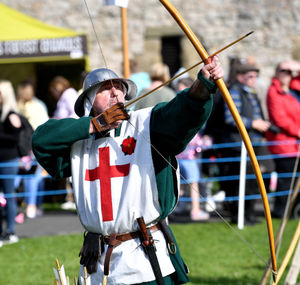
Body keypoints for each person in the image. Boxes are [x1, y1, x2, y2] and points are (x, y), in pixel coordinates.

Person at [32, 56, 223, 285]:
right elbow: (41, 140)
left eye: (119, 88)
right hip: (99, 261)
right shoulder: (78, 140)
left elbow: (180, 113)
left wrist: (202, 85)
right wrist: (95, 125)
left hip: (144, 258)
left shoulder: (146, 124)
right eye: (105, 89)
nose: (115, 93)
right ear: (90, 101)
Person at [220, 62, 273, 225]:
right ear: (240, 76)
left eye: (255, 77)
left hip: (255, 143)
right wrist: (253, 123)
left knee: (256, 179)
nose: (253, 80)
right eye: (250, 76)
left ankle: (249, 213)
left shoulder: (250, 91)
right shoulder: (235, 91)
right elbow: (231, 118)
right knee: (240, 182)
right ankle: (239, 215)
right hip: (240, 145)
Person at [266, 60, 300, 218]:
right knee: (286, 180)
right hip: (285, 143)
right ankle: (282, 212)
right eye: (283, 71)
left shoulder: (294, 89)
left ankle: (292, 210)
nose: (286, 75)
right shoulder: (274, 91)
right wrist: (297, 131)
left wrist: (297, 68)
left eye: (289, 72)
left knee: (296, 181)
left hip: (296, 142)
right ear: (277, 72)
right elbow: (279, 118)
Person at [175, 77, 210, 221]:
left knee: (184, 184)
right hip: (186, 156)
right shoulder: (185, 109)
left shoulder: (181, 108)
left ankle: (182, 208)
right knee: (190, 184)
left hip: (183, 155)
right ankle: (192, 210)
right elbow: (194, 135)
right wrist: (203, 143)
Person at [16, 79, 49, 218]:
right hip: (37, 145)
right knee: (35, 178)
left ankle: (29, 205)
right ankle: (34, 205)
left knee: (28, 178)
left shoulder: (19, 107)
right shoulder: (38, 105)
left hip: (26, 148)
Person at [0, 80, 22, 245]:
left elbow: (15, 137)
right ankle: (2, 231)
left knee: (9, 194)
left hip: (8, 160)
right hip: (3, 159)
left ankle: (11, 231)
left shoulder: (11, 114)